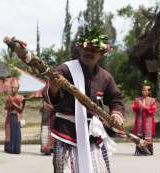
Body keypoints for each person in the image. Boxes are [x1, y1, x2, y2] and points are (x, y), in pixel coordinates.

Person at [44, 27, 124, 173]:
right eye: (86, 48)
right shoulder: (65, 70)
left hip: (92, 134)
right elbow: (49, 95)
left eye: (94, 50)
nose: (89, 53)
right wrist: (54, 86)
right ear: (80, 49)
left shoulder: (105, 77)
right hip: (67, 133)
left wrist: (116, 114)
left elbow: (116, 99)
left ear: (102, 53)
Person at [131, 81, 156, 155]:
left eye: (146, 90)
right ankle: (139, 150)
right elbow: (134, 108)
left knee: (148, 135)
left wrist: (145, 107)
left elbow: (153, 109)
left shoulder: (152, 100)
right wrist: (138, 106)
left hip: (148, 120)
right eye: (143, 90)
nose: (144, 91)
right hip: (139, 119)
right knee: (139, 135)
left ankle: (149, 151)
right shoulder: (137, 99)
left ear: (149, 92)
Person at [4, 79, 25, 154]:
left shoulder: (21, 98)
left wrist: (14, 104)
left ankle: (16, 149)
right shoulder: (8, 97)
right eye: (12, 87)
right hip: (9, 116)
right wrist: (8, 105)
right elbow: (5, 107)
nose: (12, 89)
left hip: (16, 117)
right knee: (9, 132)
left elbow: (21, 109)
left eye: (14, 88)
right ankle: (9, 149)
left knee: (16, 133)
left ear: (17, 89)